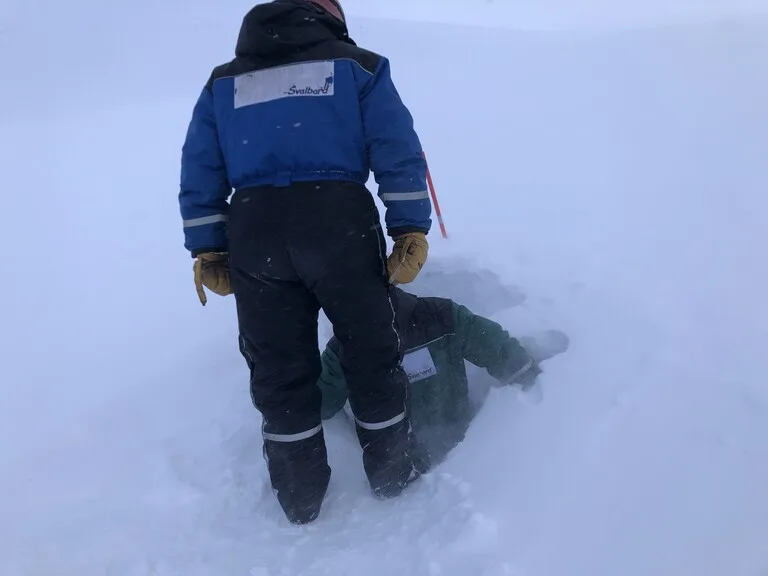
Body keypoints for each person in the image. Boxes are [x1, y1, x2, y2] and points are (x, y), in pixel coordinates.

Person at [178, 0, 432, 525]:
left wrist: (208, 245)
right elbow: (395, 144)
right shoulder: (359, 66)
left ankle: (300, 495)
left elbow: (200, 164)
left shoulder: (222, 83)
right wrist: (409, 225)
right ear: (330, 17)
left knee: (278, 368)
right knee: (369, 351)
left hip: (255, 229)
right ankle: (394, 473)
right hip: (337, 221)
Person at [318, 288, 559, 464]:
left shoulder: (345, 346)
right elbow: (498, 349)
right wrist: (531, 376)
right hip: (454, 448)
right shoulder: (442, 315)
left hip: (406, 461)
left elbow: (321, 404)